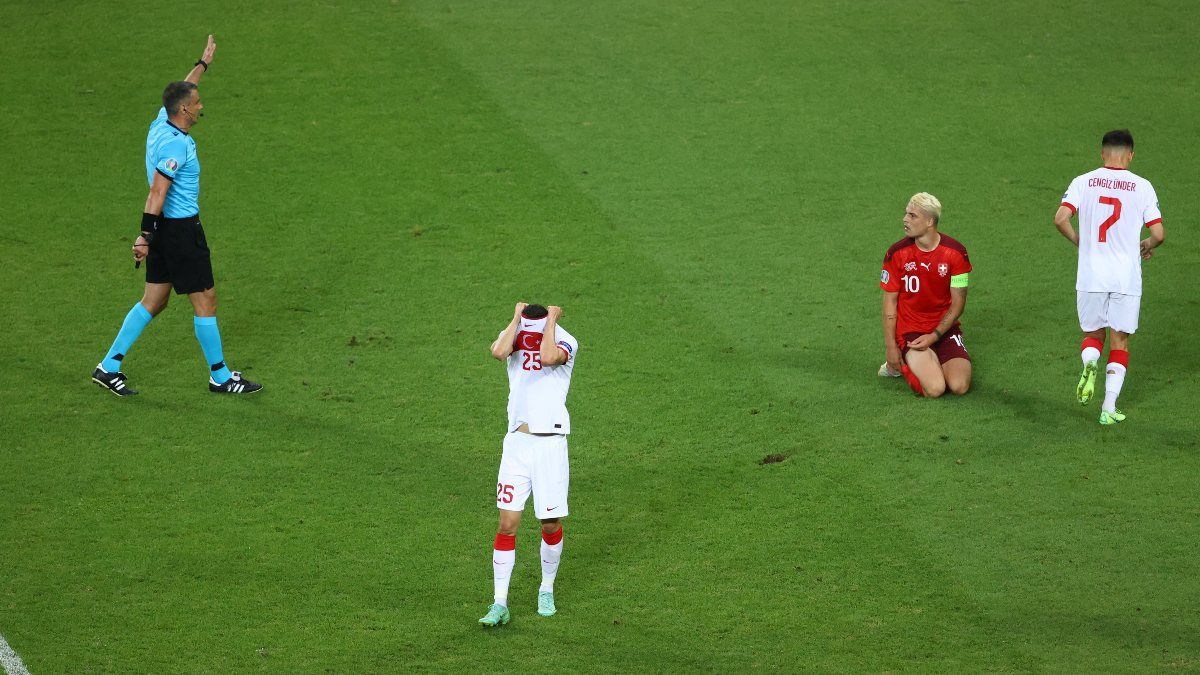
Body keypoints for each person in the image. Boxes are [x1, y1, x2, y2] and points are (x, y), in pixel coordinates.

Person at [91, 35, 261, 396]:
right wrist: (144, 236)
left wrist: (202, 64)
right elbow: (157, 192)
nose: (200, 105)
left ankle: (108, 366)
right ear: (184, 110)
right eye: (196, 103)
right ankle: (220, 376)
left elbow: (184, 88)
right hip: (181, 232)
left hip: (165, 231)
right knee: (206, 300)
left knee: (154, 301)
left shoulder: (161, 121)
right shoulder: (176, 145)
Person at [1054, 129, 1164, 425]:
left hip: (1091, 275)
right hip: (1125, 278)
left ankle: (1090, 362)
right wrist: (1147, 244)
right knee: (1120, 342)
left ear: (1103, 153)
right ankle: (1108, 408)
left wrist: (1080, 240)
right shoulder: (1142, 186)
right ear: (1131, 155)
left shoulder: (1083, 181)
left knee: (1093, 335)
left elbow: (1060, 218)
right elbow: (1158, 233)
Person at [479, 303, 579, 627]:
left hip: (550, 445)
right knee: (506, 523)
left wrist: (551, 322)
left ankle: (546, 589)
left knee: (549, 523)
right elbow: (498, 352)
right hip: (517, 445)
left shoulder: (565, 339)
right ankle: (499, 603)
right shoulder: (513, 334)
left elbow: (548, 357)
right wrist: (514, 319)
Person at [879, 193, 973, 397]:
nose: (905, 219)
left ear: (930, 221)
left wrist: (935, 335)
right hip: (911, 332)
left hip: (944, 330)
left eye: (912, 215)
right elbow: (889, 303)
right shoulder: (896, 254)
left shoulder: (956, 253)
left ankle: (933, 357)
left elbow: (958, 304)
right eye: (906, 213)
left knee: (959, 386)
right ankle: (901, 366)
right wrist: (891, 347)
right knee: (936, 389)